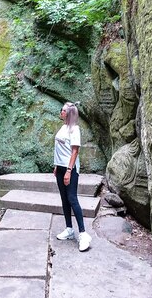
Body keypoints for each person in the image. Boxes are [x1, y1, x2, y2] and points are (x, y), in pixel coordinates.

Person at [53, 101, 92, 252]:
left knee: (72, 198)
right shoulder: (63, 127)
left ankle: (83, 233)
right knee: (64, 199)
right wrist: (57, 165)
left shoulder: (75, 129)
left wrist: (69, 171)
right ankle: (69, 229)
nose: (61, 112)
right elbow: (59, 148)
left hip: (70, 169)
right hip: (60, 167)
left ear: (68, 113)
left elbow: (75, 151)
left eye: (62, 110)